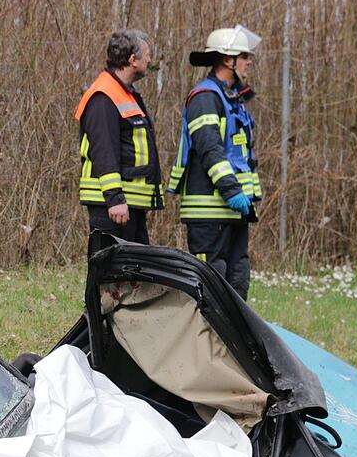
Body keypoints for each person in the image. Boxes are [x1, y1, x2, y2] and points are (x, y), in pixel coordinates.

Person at [166, 26, 262, 299]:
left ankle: (235, 341)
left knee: (238, 280)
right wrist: (232, 191)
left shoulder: (233, 99)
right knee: (211, 284)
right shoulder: (205, 98)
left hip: (234, 209)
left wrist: (241, 196)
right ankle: (206, 340)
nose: (249, 62)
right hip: (209, 210)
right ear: (227, 60)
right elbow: (210, 149)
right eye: (244, 56)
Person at [74, 29, 163, 251]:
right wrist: (114, 199)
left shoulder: (124, 93)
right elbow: (104, 151)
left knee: (133, 275)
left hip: (129, 205)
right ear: (133, 60)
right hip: (112, 207)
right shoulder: (104, 96)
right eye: (147, 55)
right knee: (109, 274)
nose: (150, 60)